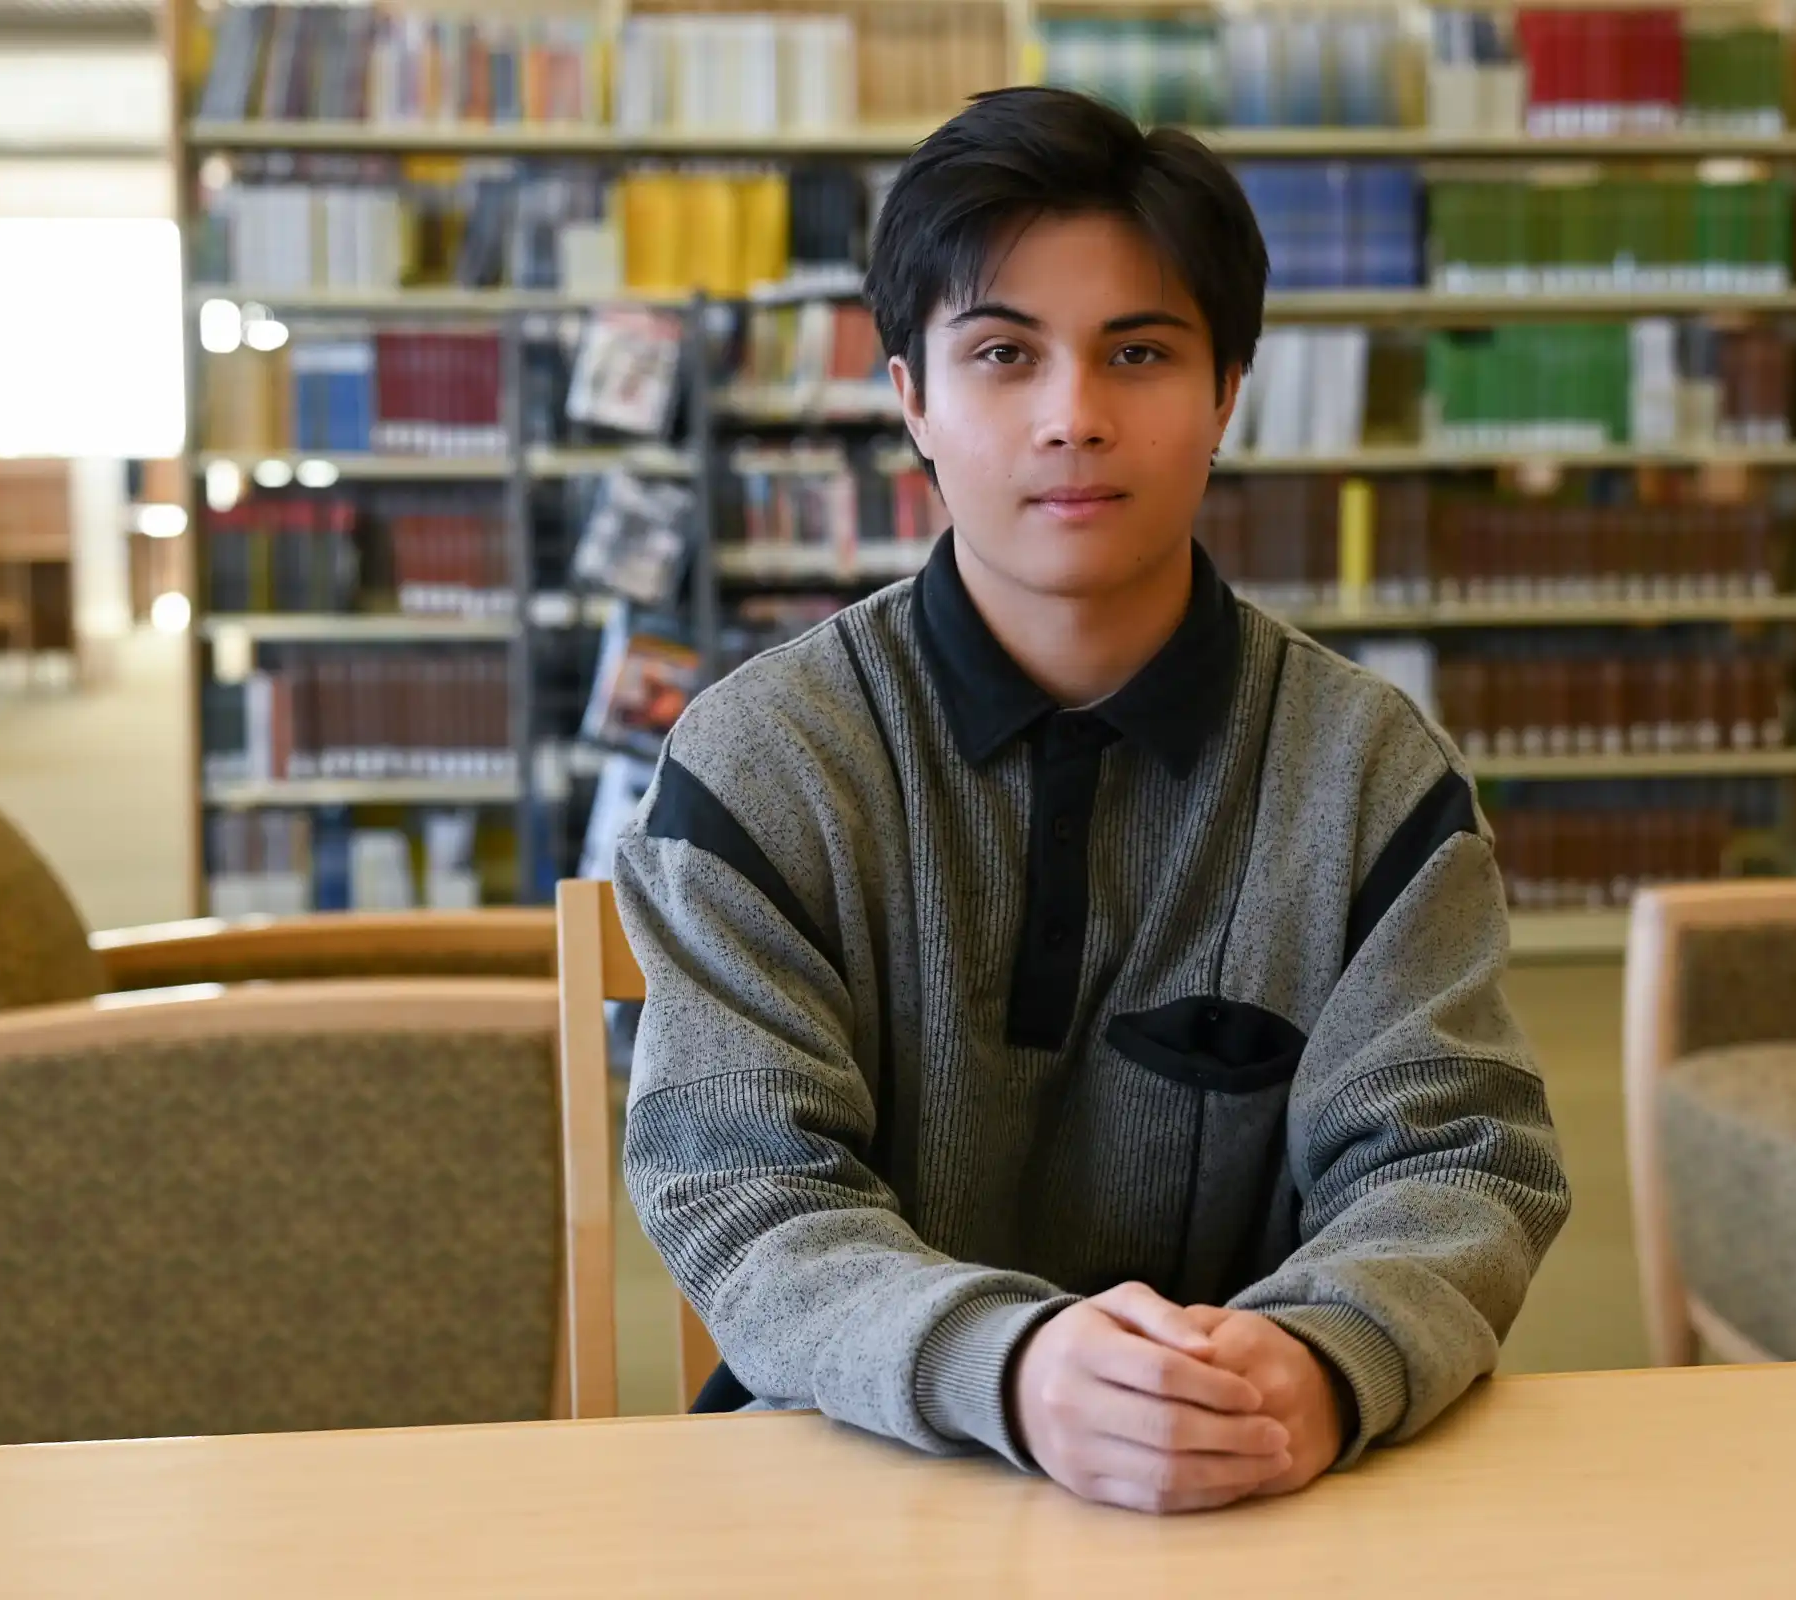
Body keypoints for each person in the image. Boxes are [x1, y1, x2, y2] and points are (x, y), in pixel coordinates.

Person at [616, 85, 1570, 1515]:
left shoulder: (1370, 772)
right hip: (847, 1482)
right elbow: (746, 1191)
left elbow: (1454, 1160)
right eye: (1003, 354)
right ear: (912, 402)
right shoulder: (765, 760)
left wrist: (1317, 1364)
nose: (1073, 416)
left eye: (1139, 352)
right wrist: (1014, 1367)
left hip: (1256, 1490)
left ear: (1226, 393)